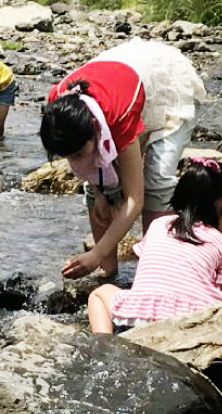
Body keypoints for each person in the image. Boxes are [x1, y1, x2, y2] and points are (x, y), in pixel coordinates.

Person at [41, 37, 206, 280]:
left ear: (96, 129)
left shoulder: (119, 115)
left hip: (164, 84)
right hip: (117, 75)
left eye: (77, 154)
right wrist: (99, 194)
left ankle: (154, 269)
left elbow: (134, 200)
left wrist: (95, 252)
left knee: (156, 180)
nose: (74, 162)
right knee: (97, 191)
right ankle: (107, 270)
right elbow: (92, 167)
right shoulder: (58, 112)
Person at [87, 158, 222, 334]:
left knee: (98, 294)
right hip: (196, 321)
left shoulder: (159, 224)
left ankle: (104, 341)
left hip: (141, 316)